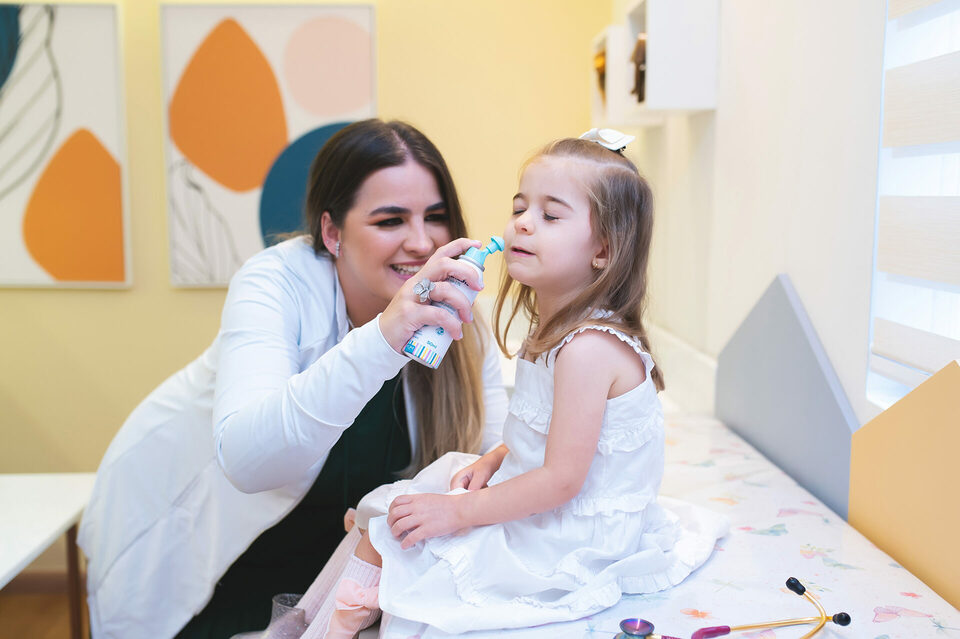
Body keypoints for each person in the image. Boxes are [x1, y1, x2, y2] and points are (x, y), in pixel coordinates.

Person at [286, 128, 730, 638]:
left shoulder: (587, 350)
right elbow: (549, 438)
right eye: (520, 207)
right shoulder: (556, 331)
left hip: (574, 537)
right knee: (396, 514)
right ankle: (317, 620)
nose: (522, 222)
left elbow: (562, 481)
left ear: (604, 250)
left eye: (550, 215)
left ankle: (329, 623)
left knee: (397, 532)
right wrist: (497, 457)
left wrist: (459, 514)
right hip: (553, 505)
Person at [77, 119, 508, 639]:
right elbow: (250, 459)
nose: (421, 241)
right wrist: (383, 338)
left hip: (333, 573)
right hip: (210, 569)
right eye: (390, 220)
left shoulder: (459, 323)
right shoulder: (275, 283)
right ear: (332, 233)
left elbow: (490, 468)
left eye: (435, 217)